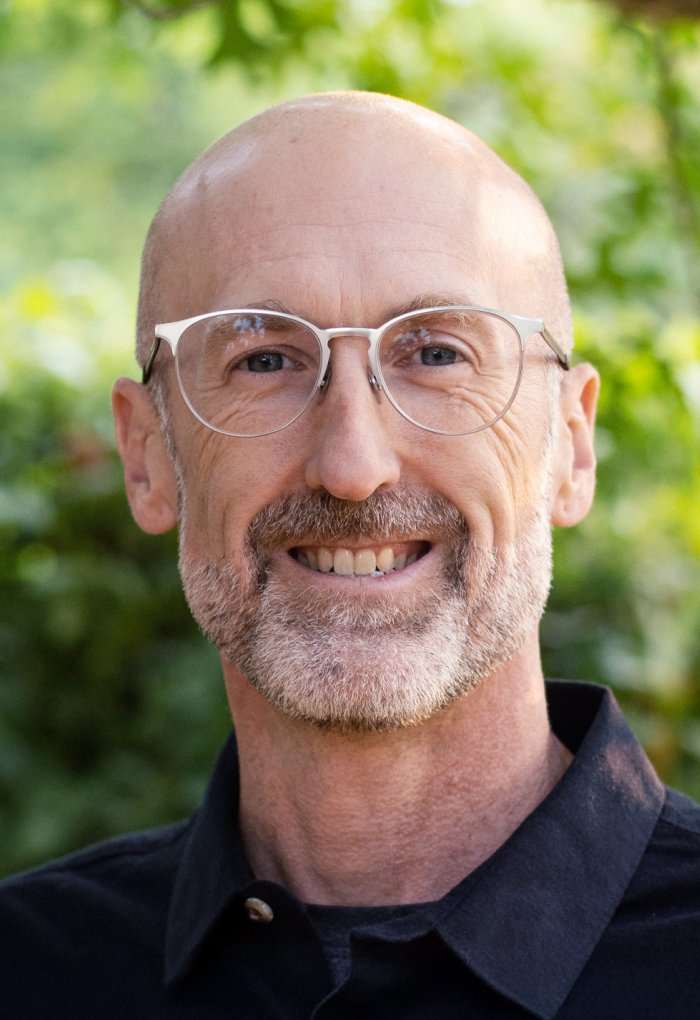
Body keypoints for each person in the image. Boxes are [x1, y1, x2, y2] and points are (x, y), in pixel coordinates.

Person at [1, 91, 699, 1019]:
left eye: (438, 354)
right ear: (147, 458)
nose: (353, 466)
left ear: (571, 446)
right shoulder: (28, 973)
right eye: (263, 359)